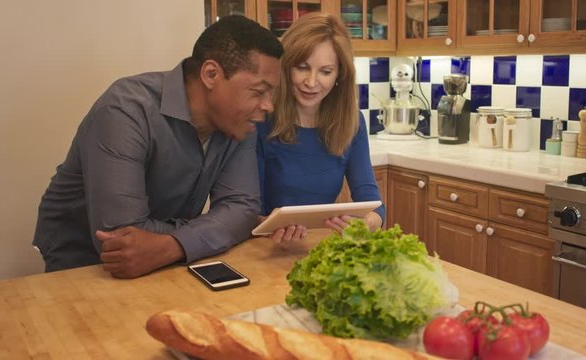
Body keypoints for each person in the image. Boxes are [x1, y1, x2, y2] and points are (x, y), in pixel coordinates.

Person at [33, 16, 283, 278]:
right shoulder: (125, 110)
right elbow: (119, 236)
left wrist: (173, 245)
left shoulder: (241, 122)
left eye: (271, 94)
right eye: (258, 91)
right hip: (84, 264)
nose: (268, 106)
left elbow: (242, 209)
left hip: (166, 261)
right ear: (211, 74)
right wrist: (221, 227)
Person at [256, 12, 385, 243]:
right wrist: (268, 226)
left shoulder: (351, 122)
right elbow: (245, 212)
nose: (312, 82)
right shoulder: (262, 120)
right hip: (264, 249)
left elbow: (372, 202)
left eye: (325, 72)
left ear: (339, 75)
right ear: (286, 67)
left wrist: (369, 223)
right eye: (303, 67)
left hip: (317, 247)